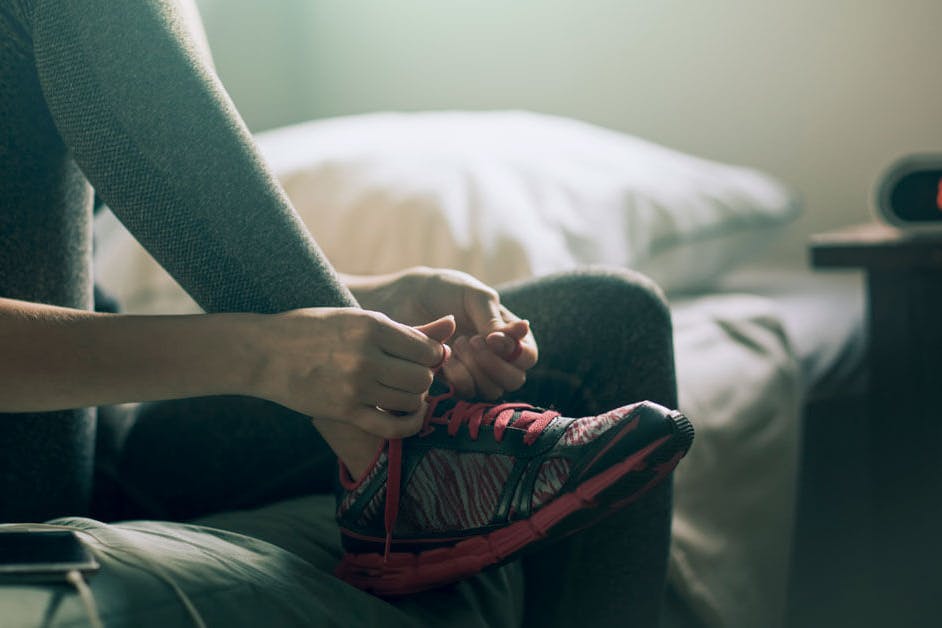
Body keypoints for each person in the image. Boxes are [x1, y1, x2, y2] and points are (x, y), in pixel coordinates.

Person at [0, 0, 691, 625]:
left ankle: (400, 461)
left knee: (609, 324)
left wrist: (354, 305)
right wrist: (265, 352)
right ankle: (401, 466)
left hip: (101, 432)